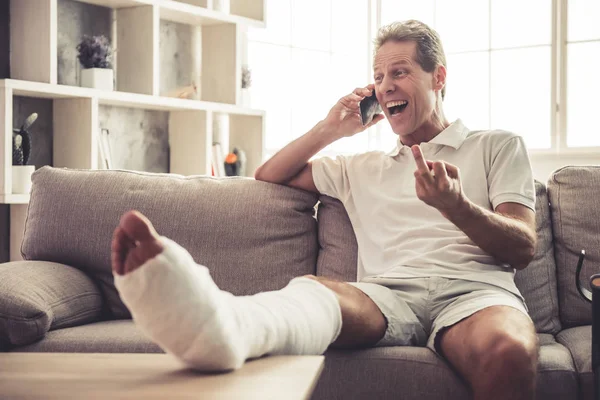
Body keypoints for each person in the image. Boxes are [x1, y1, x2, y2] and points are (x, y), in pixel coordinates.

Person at [111, 20, 539, 400]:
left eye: (400, 72)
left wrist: (456, 205)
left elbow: (521, 246)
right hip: (387, 297)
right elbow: (269, 174)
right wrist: (331, 128)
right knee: (315, 294)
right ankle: (223, 329)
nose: (385, 85)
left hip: (475, 294)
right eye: (378, 76)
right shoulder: (360, 167)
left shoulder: (496, 145)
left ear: (438, 76)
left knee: (511, 352)